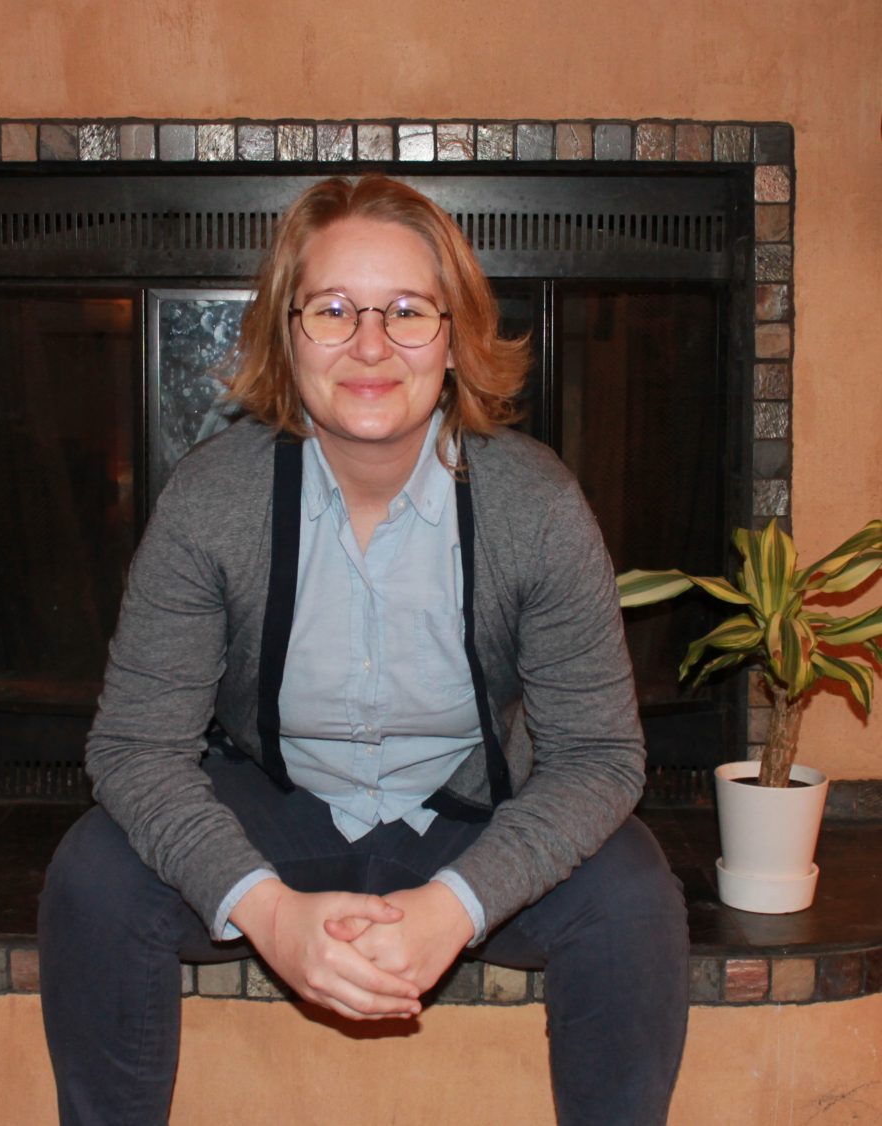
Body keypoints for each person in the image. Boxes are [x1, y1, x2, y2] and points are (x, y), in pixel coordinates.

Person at [38, 174, 689, 1125]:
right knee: (93, 873)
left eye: (408, 311)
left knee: (632, 895)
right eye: (334, 309)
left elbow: (599, 757)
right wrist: (266, 911)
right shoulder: (211, 499)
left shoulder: (537, 505)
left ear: (456, 338)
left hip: (469, 818)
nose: (371, 345)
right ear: (287, 335)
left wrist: (457, 905)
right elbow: (135, 748)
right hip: (281, 809)